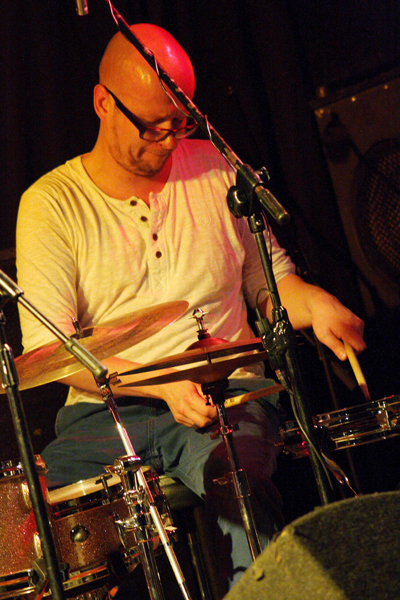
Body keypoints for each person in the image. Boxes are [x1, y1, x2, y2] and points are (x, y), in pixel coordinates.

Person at [16, 23, 366, 596]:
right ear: (103, 103)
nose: (167, 141)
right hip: (106, 412)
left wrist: (316, 304)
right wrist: (163, 387)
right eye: (151, 127)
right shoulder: (50, 205)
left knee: (240, 489)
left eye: (179, 124)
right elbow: (51, 353)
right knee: (37, 530)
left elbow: (270, 284)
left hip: (226, 394)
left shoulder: (216, 169)